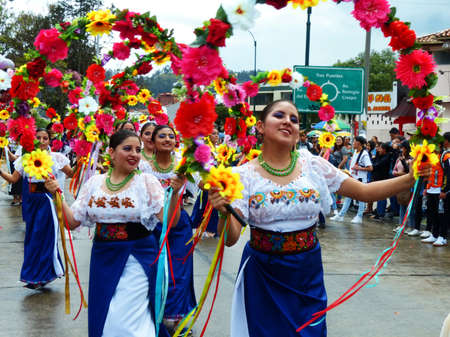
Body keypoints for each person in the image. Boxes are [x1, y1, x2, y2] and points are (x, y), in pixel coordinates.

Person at [207, 100, 430, 337]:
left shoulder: (312, 164)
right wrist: (223, 211)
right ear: (260, 126)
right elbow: (231, 238)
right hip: (263, 273)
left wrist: (409, 178)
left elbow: (364, 192)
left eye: (294, 119)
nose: (287, 122)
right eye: (279, 115)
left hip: (306, 272)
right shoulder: (242, 175)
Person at [45, 130, 183, 337]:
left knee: (129, 316)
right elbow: (72, 222)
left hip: (138, 256)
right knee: (106, 314)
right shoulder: (94, 183)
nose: (134, 154)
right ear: (111, 152)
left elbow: (169, 221)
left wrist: (176, 194)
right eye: (127, 148)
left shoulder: (147, 182)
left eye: (137, 150)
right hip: (103, 257)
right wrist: (57, 193)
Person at [139, 125, 197, 335]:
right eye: (161, 136)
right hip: (152, 227)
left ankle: (177, 319)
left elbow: (204, 185)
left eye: (171, 136)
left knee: (179, 273)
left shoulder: (183, 166)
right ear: (152, 142)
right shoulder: (143, 168)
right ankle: (156, 317)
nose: (167, 139)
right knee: (155, 272)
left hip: (179, 225)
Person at [0, 129, 73, 289]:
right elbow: (13, 179)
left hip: (47, 202)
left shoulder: (56, 157)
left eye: (45, 138)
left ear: (50, 141)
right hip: (30, 203)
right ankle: (34, 276)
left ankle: (43, 276)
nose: (41, 141)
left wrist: (84, 160)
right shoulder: (25, 159)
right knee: (32, 240)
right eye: (38, 138)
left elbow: (71, 173)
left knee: (45, 239)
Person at [331, 136, 373, 224]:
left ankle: (359, 216)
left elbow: (370, 168)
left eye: (354, 141)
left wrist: (359, 168)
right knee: (348, 197)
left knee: (361, 198)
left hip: (360, 179)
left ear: (359, 143)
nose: (353, 143)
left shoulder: (364, 154)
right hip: (353, 178)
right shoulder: (356, 152)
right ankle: (341, 215)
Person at [370, 142, 392, 220]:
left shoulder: (387, 156)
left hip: (383, 178)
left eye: (380, 148)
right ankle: (378, 212)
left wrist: (373, 165)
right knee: (379, 196)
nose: (378, 149)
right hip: (378, 178)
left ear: (384, 149)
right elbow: (373, 162)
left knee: (382, 196)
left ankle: (380, 214)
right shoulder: (380, 155)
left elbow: (377, 164)